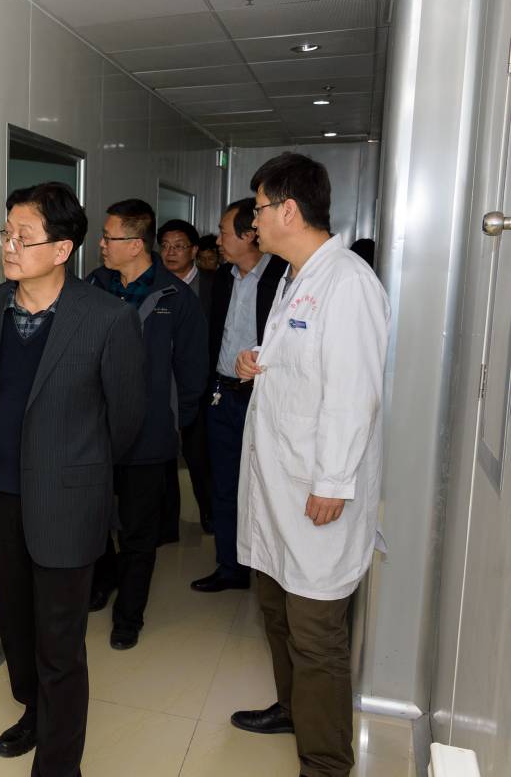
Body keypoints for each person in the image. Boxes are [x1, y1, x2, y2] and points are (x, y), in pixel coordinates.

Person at [0, 182, 144, 776]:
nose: (9, 246)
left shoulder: (108, 319)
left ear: (63, 249)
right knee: (14, 626)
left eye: (24, 236)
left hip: (68, 502)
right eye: (7, 233)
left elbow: (126, 420)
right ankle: (34, 712)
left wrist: (77, 469)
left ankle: (60, 764)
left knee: (60, 642)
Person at [230, 152, 390, 777]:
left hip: (315, 494)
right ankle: (292, 709)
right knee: (277, 612)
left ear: (289, 210)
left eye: (259, 210)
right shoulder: (295, 276)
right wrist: (256, 359)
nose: (253, 224)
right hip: (277, 487)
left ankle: (325, 762)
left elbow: (353, 393)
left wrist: (332, 482)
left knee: (316, 632)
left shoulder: (347, 283)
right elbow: (303, 360)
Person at [85, 199, 207, 650]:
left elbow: (192, 374)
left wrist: (171, 425)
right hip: (96, 432)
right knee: (94, 520)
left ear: (135, 244)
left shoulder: (176, 299)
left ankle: (129, 615)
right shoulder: (94, 286)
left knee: (138, 532)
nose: (101, 244)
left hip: (148, 438)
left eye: (109, 237)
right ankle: (104, 580)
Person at [190, 198, 288, 593]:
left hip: (263, 397)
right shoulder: (223, 278)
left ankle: (269, 569)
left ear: (249, 234)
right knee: (224, 484)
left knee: (266, 486)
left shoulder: (283, 277)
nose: (217, 239)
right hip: (223, 395)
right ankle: (230, 566)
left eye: (224, 231)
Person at [156, 218, 215, 540]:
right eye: (165, 246)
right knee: (163, 457)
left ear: (193, 250)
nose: (170, 252)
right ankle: (167, 524)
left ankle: (209, 515)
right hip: (162, 384)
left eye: (178, 246)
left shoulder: (213, 285)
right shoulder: (153, 284)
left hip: (200, 384)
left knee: (199, 455)